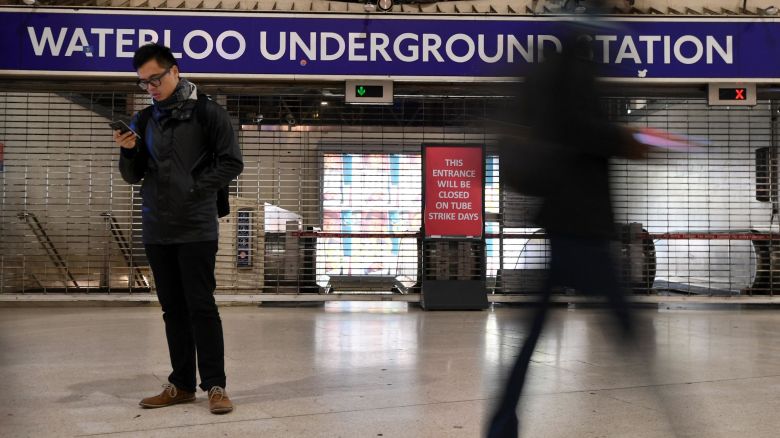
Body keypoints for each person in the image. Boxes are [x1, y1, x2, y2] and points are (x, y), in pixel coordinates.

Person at [488, 23, 651, 437]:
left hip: (564, 219)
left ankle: (502, 424)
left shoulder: (556, 63)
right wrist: (625, 138)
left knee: (533, 337)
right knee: (630, 330)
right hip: (581, 224)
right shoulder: (576, 61)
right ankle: (681, 420)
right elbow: (579, 128)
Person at [114, 43, 243, 415]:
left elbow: (233, 162)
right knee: (172, 309)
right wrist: (127, 150)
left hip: (197, 226)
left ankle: (216, 386)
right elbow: (132, 175)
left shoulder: (208, 113)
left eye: (155, 79)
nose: (151, 87)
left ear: (175, 71)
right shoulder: (143, 120)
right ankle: (182, 384)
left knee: (201, 306)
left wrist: (196, 188)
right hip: (157, 227)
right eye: (143, 83)